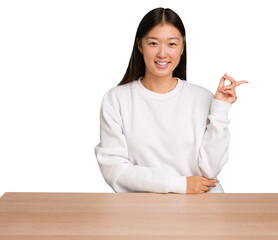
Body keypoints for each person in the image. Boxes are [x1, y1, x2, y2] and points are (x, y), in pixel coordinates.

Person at [94, 7, 248, 194]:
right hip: (142, 209)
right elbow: (115, 171)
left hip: (200, 206)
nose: (162, 54)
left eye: (172, 44)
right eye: (153, 43)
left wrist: (221, 109)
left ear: (182, 47)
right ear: (140, 45)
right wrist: (178, 185)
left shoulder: (202, 97)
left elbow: (210, 171)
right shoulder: (117, 99)